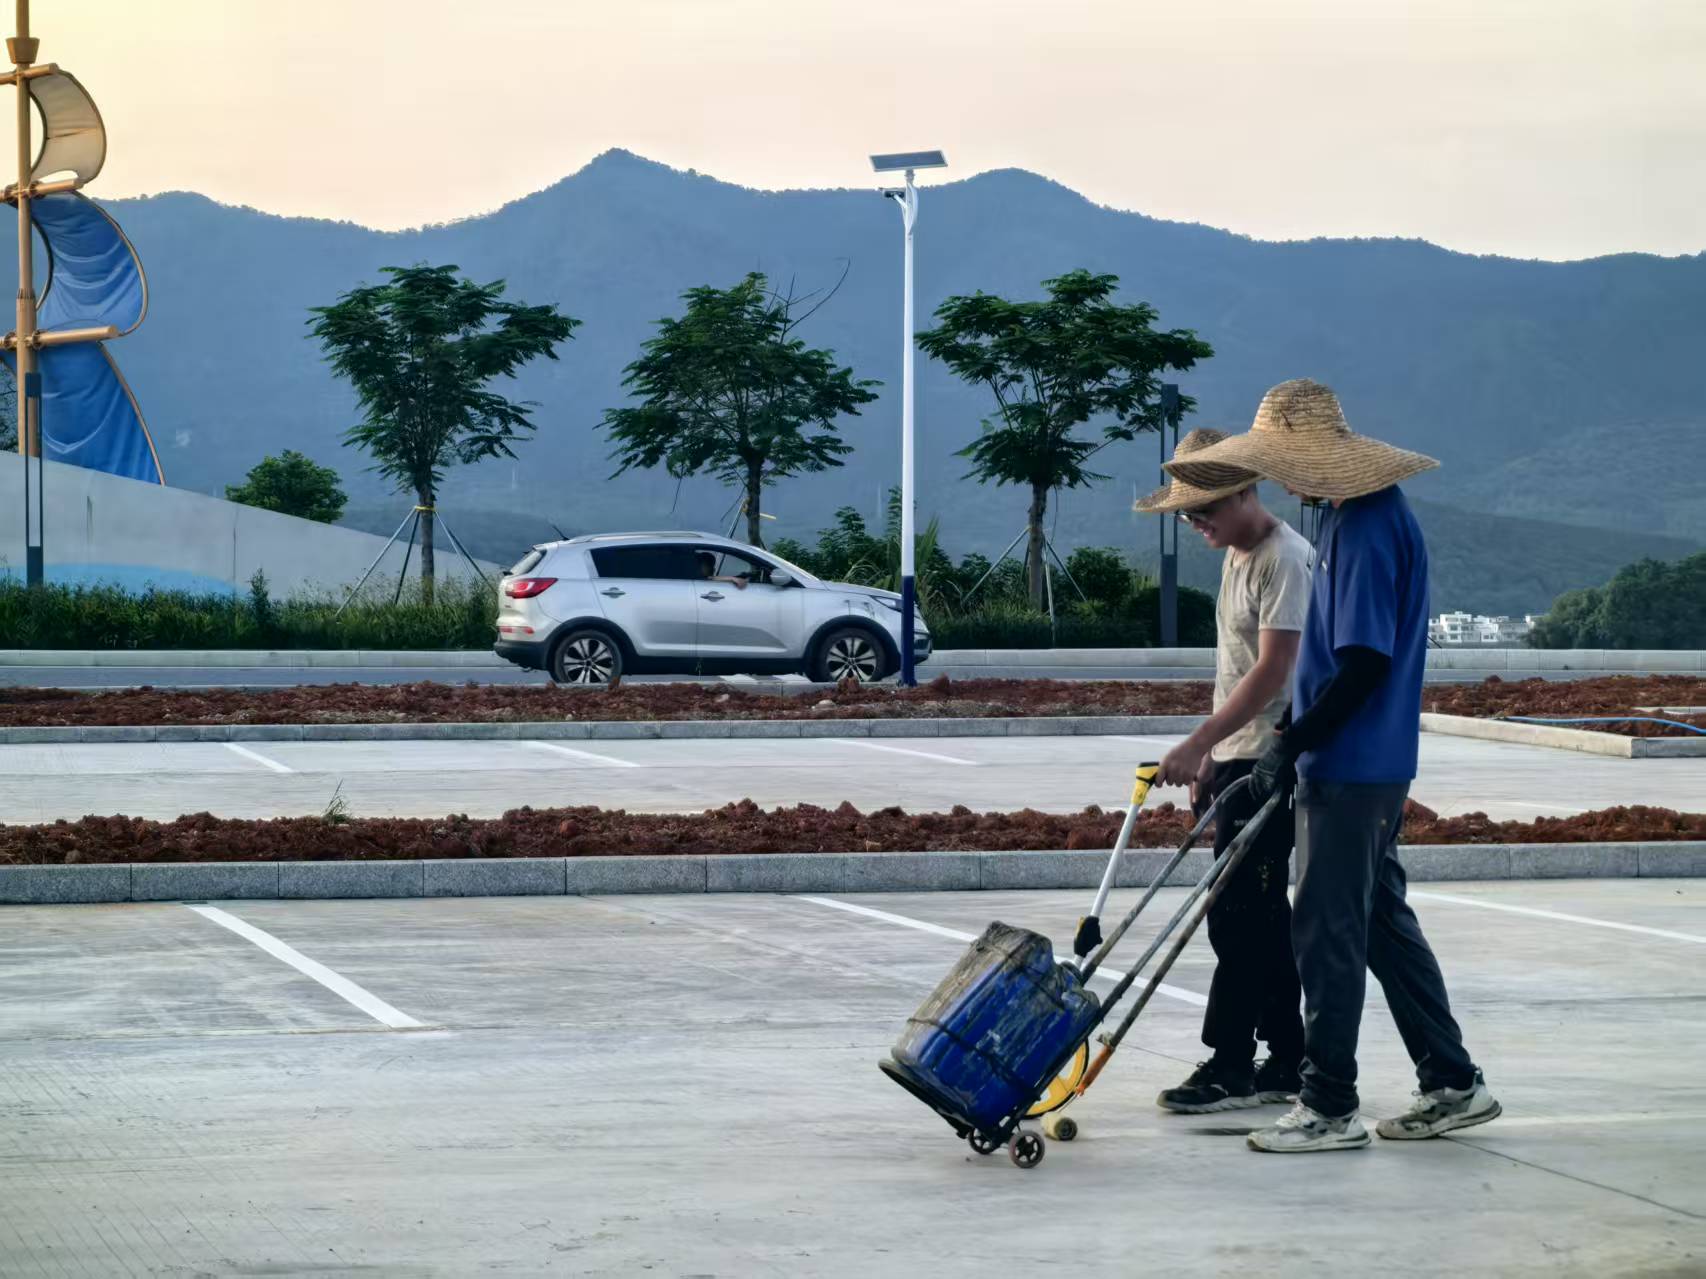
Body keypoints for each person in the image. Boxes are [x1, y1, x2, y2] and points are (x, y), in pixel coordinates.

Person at [1186, 378, 1500, 1153]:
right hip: (1358, 758)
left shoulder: (1364, 526)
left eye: (1281, 461)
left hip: (1355, 765)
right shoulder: (1344, 518)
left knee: (1325, 927)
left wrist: (1292, 743)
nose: (1278, 477)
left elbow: (1362, 663)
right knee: (1381, 923)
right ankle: (1452, 1080)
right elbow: (1329, 661)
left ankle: (1328, 1102)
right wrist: (1290, 732)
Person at [1135, 429, 1312, 1113]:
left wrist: (1196, 741)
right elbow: (1233, 669)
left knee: (1238, 915)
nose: (1196, 523)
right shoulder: (1238, 556)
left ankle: (1233, 1062)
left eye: (1205, 509)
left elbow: (1272, 671)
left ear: (1245, 493)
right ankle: (1287, 1056)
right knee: (1257, 915)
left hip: (1271, 760)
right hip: (1238, 756)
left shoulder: (1284, 560)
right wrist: (1212, 753)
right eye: (1187, 514)